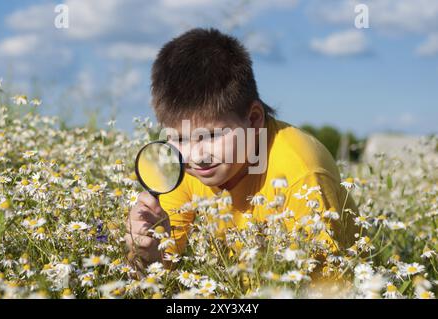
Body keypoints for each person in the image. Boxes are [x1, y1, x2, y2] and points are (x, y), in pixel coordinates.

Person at [124, 28, 358, 272]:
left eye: (212, 135)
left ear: (254, 119)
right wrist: (147, 255)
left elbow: (328, 288)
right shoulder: (180, 166)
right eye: (179, 138)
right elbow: (159, 273)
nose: (197, 157)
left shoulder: (301, 174)